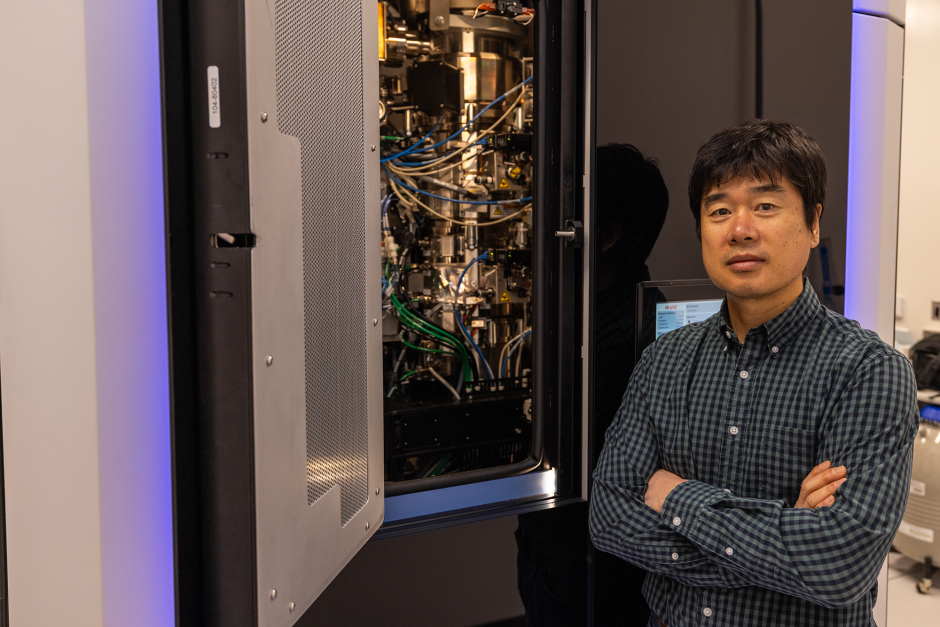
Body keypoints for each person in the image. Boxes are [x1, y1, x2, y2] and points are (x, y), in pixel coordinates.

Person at [589, 120, 919, 627]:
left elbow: (840, 566)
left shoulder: (869, 372)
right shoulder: (664, 361)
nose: (740, 228)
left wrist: (678, 496)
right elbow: (610, 518)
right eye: (719, 210)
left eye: (766, 206)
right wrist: (784, 541)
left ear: (812, 223)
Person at [516, 143, 669, 626]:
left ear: (602, 234)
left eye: (560, 211)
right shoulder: (652, 310)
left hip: (580, 565)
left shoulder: (605, 337)